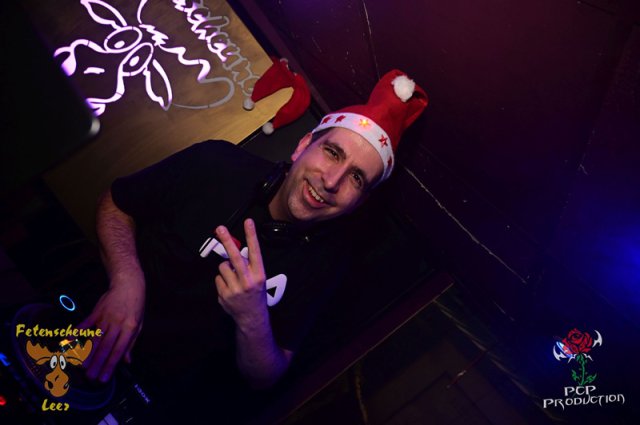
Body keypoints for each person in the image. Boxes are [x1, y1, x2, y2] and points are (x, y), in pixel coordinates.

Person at [80, 69, 427, 421]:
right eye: (333, 152)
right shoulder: (215, 164)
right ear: (303, 145)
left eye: (356, 178)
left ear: (359, 202)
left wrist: (252, 317)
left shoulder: (327, 263)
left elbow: (267, 376)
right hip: (88, 334)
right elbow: (116, 203)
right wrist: (126, 279)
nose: (332, 181)